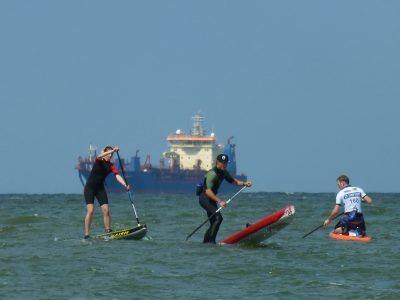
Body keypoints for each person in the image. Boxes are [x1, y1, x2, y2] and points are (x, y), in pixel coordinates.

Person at [198, 154, 252, 244]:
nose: (225, 165)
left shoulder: (223, 172)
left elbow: (234, 182)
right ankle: (211, 242)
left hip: (211, 199)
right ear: (217, 163)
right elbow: (207, 191)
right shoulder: (212, 174)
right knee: (218, 218)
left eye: (226, 163)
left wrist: (244, 183)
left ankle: (206, 243)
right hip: (205, 198)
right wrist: (220, 201)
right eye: (223, 163)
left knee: (214, 222)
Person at [83, 146, 129, 239]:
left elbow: (117, 176)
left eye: (112, 154)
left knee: (106, 210)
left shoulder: (111, 166)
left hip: (100, 188)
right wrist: (113, 150)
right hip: (90, 188)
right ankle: (87, 234)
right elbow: (100, 155)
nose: (111, 155)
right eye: (109, 153)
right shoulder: (99, 160)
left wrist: (125, 184)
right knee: (91, 211)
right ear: (105, 153)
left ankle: (108, 231)